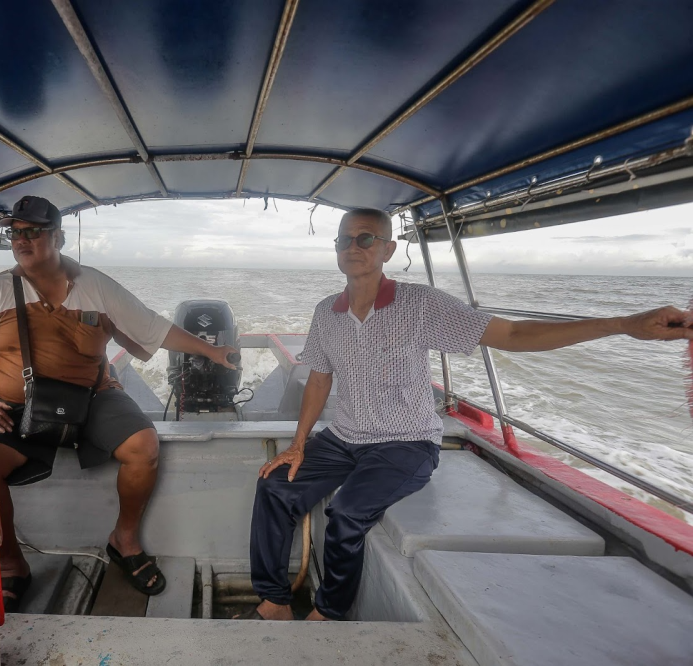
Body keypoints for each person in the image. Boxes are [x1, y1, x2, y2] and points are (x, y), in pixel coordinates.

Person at [242, 207, 693, 622]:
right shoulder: (327, 312)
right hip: (343, 438)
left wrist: (621, 325)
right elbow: (319, 379)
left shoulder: (421, 304)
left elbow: (513, 333)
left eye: (365, 238)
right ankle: (275, 600)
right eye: (344, 240)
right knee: (274, 487)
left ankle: (329, 614)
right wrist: (299, 444)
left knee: (345, 514)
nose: (353, 248)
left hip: (406, 443)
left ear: (387, 249)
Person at [0, 196, 236, 611]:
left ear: (57, 237)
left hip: (92, 398)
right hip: (16, 406)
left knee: (143, 447)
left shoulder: (95, 285)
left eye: (33, 232)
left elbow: (151, 327)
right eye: (15, 233)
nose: (22, 240)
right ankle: (11, 565)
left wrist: (212, 353)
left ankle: (125, 539)